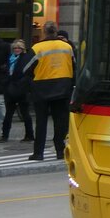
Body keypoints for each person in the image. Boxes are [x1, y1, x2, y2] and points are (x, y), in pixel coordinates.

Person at [25, 20, 74, 161]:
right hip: (63, 86)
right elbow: (75, 65)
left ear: (44, 32)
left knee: (41, 121)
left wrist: (34, 79)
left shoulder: (37, 48)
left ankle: (38, 153)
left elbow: (25, 69)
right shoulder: (67, 47)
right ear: (56, 31)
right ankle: (60, 150)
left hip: (42, 88)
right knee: (61, 121)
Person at [0, 38, 35, 144]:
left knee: (25, 113)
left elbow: (28, 74)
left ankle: (29, 135)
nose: (16, 50)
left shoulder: (25, 58)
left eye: (19, 48)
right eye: (15, 48)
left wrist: (22, 84)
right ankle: (4, 135)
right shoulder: (9, 59)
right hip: (10, 89)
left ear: (23, 49)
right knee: (8, 114)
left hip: (22, 89)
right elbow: (6, 73)